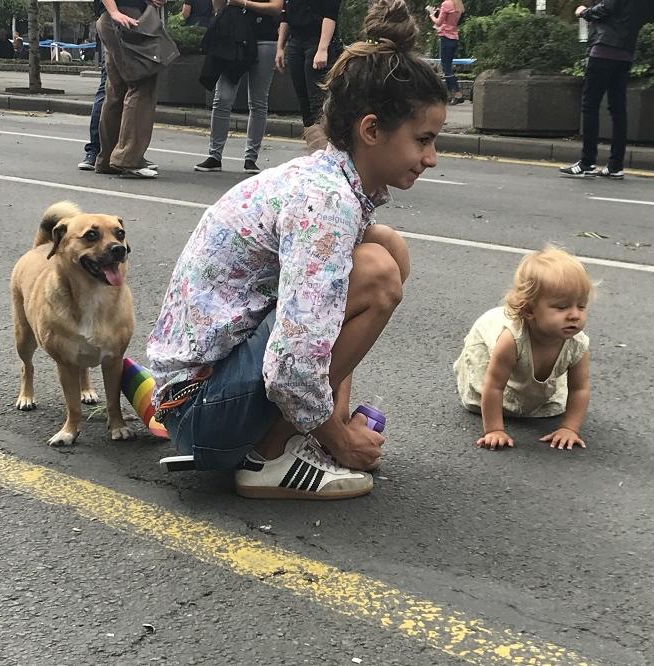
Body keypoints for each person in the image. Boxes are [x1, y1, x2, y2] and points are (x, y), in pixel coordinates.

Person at [146, 0, 448, 500]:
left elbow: (313, 325)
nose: (432, 159)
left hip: (210, 388)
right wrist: (342, 439)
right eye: (424, 140)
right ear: (371, 130)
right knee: (375, 272)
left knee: (387, 246)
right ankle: (268, 458)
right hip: (200, 413)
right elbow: (291, 364)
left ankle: (299, 430)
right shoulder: (325, 203)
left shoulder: (333, 184)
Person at [453, 246, 593, 452]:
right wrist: (494, 429)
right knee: (479, 398)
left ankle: (530, 392)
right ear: (529, 310)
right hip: (489, 352)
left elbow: (580, 388)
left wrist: (569, 428)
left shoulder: (577, 343)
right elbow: (493, 385)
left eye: (581, 306)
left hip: (531, 376)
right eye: (562, 307)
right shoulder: (511, 339)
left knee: (552, 407)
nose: (574, 315)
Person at [194, 0, 281, 174]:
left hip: (264, 38)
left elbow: (276, 8)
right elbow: (218, 5)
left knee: (258, 100)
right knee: (222, 98)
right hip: (232, 37)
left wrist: (243, 3)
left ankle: (251, 158)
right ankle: (215, 156)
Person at [559, 0, 638, 180]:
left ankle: (587, 162)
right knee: (618, 110)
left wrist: (584, 12)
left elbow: (606, 8)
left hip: (604, 50)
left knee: (590, 106)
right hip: (625, 52)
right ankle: (615, 165)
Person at [94, 0, 167, 178]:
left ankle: (109, 158)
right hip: (126, 18)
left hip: (114, 19)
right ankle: (128, 159)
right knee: (142, 85)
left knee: (116, 91)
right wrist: (114, 11)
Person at [276, 0, 342, 152]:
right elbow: (285, 15)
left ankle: (325, 151)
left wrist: (322, 48)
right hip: (296, 41)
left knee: (318, 103)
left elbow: (330, 14)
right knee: (303, 102)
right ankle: (314, 151)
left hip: (317, 40)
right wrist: (280, 47)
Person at [426, 0, 464, 105]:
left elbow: (439, 22)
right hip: (454, 36)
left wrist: (432, 16)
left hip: (445, 37)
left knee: (446, 67)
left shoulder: (446, 4)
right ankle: (450, 95)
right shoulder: (458, 4)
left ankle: (457, 93)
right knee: (448, 66)